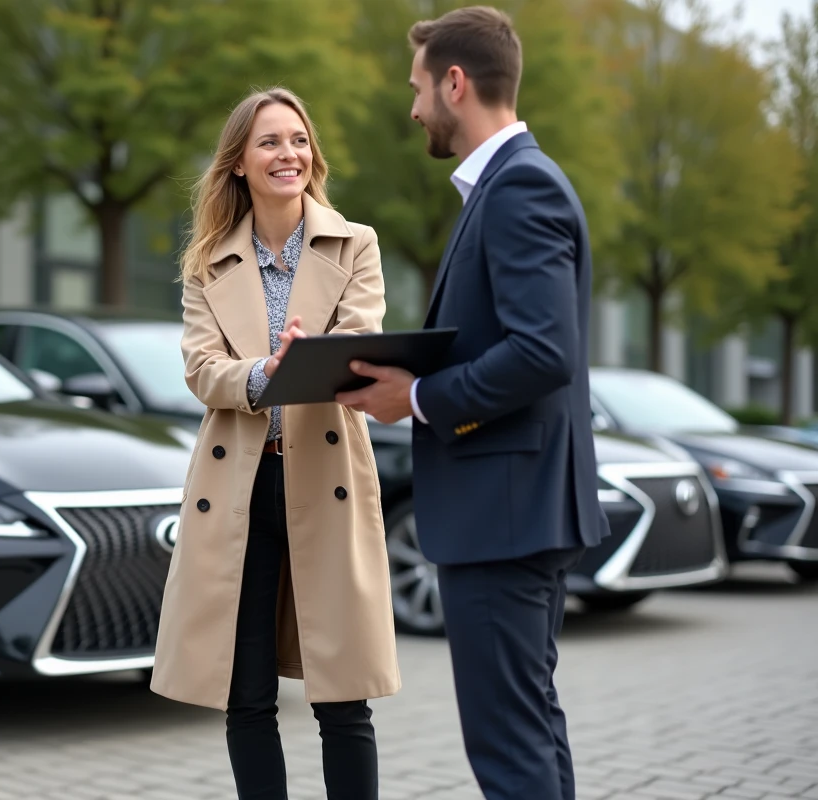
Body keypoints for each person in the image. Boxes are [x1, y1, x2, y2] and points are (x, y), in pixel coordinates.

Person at [334, 7, 609, 800]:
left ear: (456, 83)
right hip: (515, 511)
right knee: (528, 728)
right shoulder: (509, 184)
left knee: (509, 744)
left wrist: (417, 395)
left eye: (418, 87)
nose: (413, 107)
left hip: (504, 518)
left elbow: (542, 352)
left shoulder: (519, 186)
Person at [149, 87, 401, 800]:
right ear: (238, 163)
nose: (287, 153)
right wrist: (267, 372)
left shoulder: (356, 243)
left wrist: (312, 359)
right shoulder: (207, 261)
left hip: (326, 479)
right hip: (241, 488)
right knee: (247, 693)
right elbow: (202, 371)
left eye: (297, 139)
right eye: (269, 142)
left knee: (343, 694)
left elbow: (359, 344)